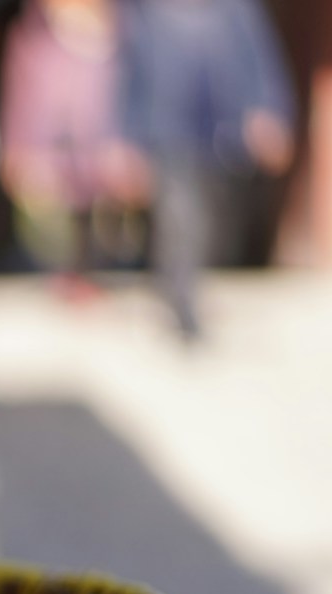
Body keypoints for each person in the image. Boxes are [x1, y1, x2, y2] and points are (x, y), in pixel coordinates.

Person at [113, 0, 296, 339]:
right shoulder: (143, 11)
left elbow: (260, 61)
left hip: (221, 135)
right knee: (181, 218)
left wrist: (269, 110)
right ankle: (182, 301)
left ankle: (192, 285)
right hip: (165, 132)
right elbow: (127, 75)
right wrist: (124, 137)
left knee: (214, 223)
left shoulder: (236, 9)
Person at [0, 0, 126, 298]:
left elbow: (135, 92)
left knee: (107, 232)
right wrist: (17, 147)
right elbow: (20, 98)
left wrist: (129, 143)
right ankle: (65, 282)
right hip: (50, 156)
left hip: (103, 156)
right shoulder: (33, 37)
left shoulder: (123, 29)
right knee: (50, 229)